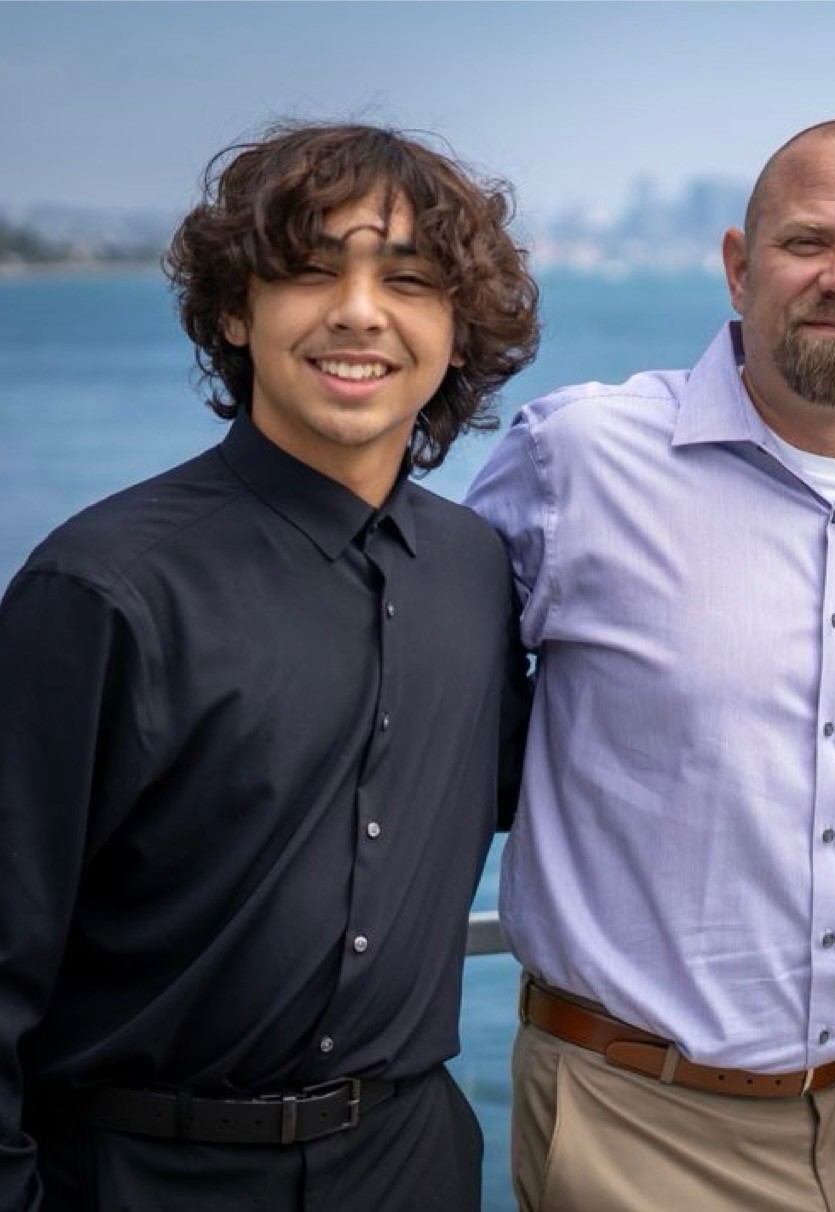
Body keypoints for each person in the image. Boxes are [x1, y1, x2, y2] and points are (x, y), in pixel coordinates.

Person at [464, 118, 835, 1212]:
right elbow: (425, 686)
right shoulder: (573, 460)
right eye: (806, 242)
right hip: (623, 1112)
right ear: (736, 264)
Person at [0, 123, 539, 1212]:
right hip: (139, 1175)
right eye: (306, 271)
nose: (357, 310)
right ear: (236, 314)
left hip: (410, 1166)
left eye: (409, 279)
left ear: (454, 328)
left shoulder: (479, 570)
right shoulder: (102, 589)